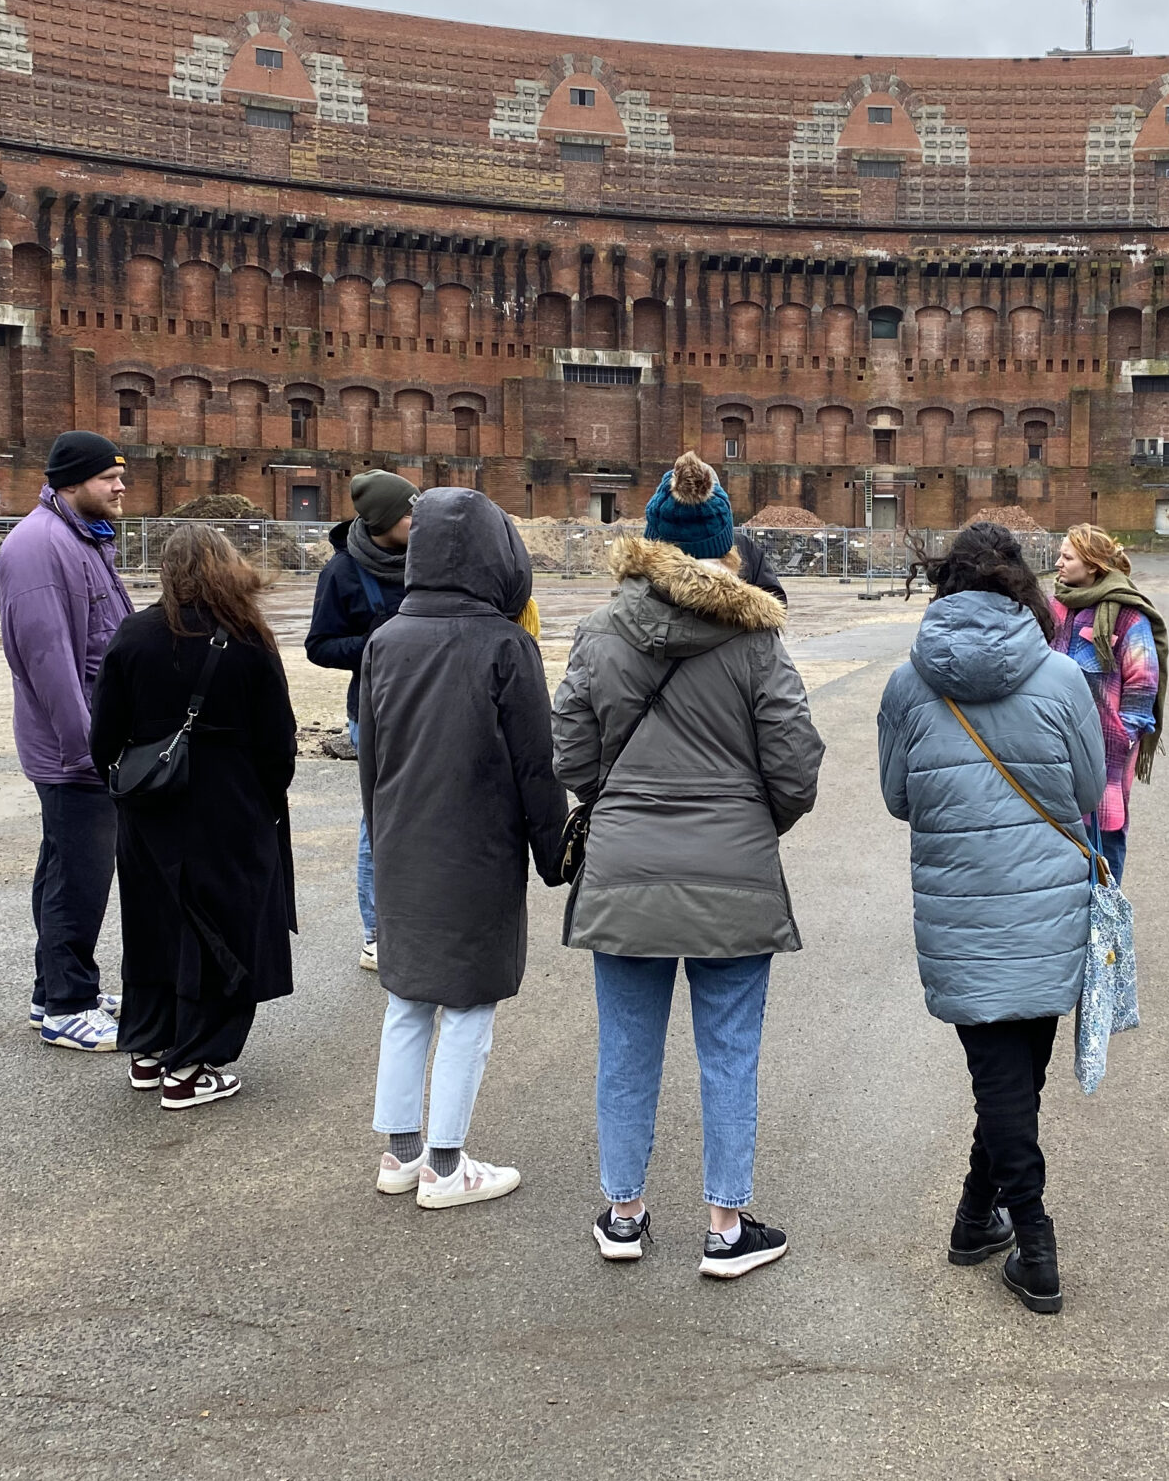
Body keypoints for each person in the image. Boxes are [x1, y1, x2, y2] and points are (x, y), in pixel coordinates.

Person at [554, 452, 823, 1279]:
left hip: (626, 869)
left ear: (650, 540)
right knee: (730, 1049)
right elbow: (796, 767)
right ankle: (724, 1225)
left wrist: (623, 800)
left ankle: (625, 1214)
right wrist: (751, 821)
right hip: (733, 870)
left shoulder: (601, 632)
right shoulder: (758, 638)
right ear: (726, 543)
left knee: (626, 1047)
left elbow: (570, 755)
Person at [877, 522, 1105, 1316]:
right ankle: (1035, 1242)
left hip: (960, 905)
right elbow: (1085, 793)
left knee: (1000, 1080)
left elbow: (898, 798)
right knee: (1014, 1079)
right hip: (1047, 899)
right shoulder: (1061, 676)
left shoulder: (908, 684)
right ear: (1022, 586)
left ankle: (979, 1220)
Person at [356, 488, 567, 1208]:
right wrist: (553, 854)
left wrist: (381, 842)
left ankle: (400, 1153)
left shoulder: (385, 640)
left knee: (408, 999)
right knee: (471, 1004)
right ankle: (447, 1166)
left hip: (404, 842)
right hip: (477, 847)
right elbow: (537, 768)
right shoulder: (507, 646)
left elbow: (371, 759)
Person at [89, 524, 298, 1110]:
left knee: (154, 925)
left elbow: (102, 735)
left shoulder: (134, 634)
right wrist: (264, 797)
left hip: (150, 807)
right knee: (223, 930)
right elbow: (278, 740)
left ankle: (149, 1050)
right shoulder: (248, 637)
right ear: (227, 566)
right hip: (228, 806)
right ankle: (192, 1066)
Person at [0, 430, 133, 1052]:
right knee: (78, 875)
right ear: (73, 483)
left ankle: (52, 987)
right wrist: (87, 752)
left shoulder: (80, 537)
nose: (121, 485)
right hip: (74, 748)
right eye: (109, 477)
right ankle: (67, 1006)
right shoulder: (39, 547)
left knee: (64, 866)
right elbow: (50, 661)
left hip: (89, 739)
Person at [306, 469, 417, 973]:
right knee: (379, 824)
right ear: (383, 520)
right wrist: (376, 642)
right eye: (409, 512)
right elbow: (319, 647)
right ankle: (376, 933)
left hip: (428, 705)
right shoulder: (343, 573)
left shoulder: (426, 556)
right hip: (374, 712)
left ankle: (417, 921)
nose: (418, 520)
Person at [1048, 523, 1166, 886]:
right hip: (1052, 751)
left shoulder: (1127, 615)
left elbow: (1143, 684)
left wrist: (1118, 738)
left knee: (1103, 856)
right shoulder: (1055, 605)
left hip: (1104, 758)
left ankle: (1108, 936)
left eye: (1067, 557)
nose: (1058, 563)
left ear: (1093, 565)